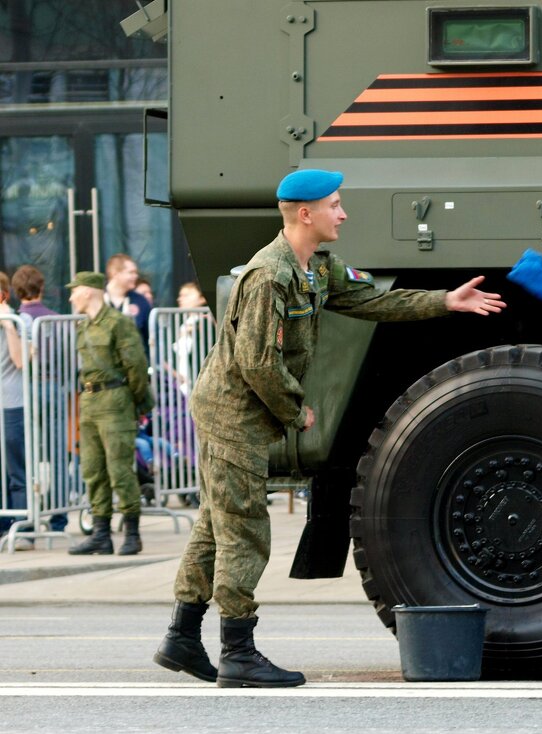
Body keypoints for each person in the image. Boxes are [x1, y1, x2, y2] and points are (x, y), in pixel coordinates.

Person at [154, 168, 506, 689]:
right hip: (234, 413)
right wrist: (297, 410)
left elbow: (372, 302)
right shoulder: (269, 275)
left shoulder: (315, 268)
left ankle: (182, 636)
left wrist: (444, 301)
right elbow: (256, 363)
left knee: (215, 523)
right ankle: (237, 650)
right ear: (305, 213)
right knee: (244, 529)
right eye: (334, 205)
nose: (342, 214)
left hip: (244, 409)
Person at [66, 271, 154, 557]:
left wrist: (137, 402)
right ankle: (101, 534)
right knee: (92, 470)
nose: (71, 297)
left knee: (119, 469)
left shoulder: (118, 324)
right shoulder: (84, 327)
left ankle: (132, 533)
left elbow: (136, 367)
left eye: (74, 290)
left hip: (116, 400)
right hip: (90, 401)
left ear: (89, 291)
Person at [9, 265, 70, 544]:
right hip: (55, 385)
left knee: (30, 454)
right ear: (41, 288)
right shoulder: (56, 318)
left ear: (15, 290)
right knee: (57, 452)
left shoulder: (16, 320)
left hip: (28, 389)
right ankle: (59, 518)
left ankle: (30, 516)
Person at [0, 272, 29, 549]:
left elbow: (20, 361)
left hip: (12, 404)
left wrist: (9, 324)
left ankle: (21, 529)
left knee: (16, 470)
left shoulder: (21, 321)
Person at [104, 253, 153, 353]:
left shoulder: (141, 301)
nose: (136, 276)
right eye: (131, 272)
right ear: (115, 273)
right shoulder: (99, 300)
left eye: (136, 273)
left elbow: (150, 337)